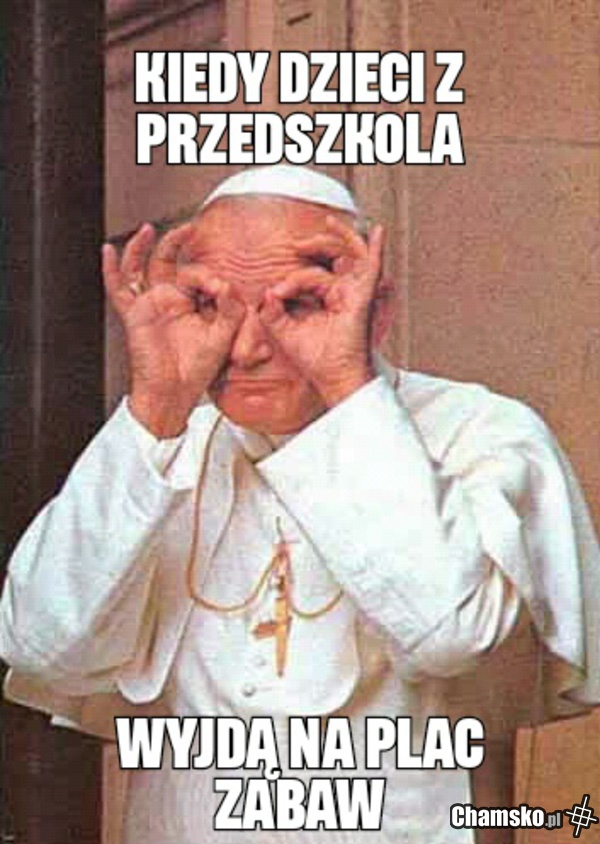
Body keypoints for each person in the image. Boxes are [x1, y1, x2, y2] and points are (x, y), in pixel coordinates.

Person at [1, 165, 599, 844]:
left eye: (297, 306)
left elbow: (453, 635)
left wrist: (346, 384)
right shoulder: (162, 445)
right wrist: (155, 405)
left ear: (376, 310)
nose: (248, 348)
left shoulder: (483, 433)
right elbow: (42, 646)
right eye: (213, 307)